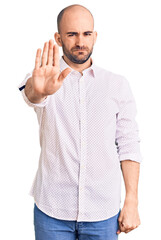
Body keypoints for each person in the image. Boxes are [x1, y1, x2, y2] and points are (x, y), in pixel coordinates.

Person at [18, 4, 143, 240]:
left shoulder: (116, 85)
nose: (80, 42)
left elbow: (128, 144)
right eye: (72, 34)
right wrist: (40, 90)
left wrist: (132, 201)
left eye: (86, 34)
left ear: (95, 36)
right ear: (58, 38)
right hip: (52, 211)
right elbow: (32, 96)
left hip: (103, 212)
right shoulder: (44, 77)